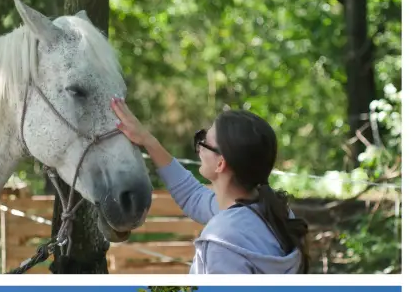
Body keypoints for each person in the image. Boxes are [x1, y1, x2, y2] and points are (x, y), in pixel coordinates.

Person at [111, 98, 309, 274]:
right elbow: (192, 196)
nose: (199, 147)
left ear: (221, 163)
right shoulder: (273, 212)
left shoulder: (222, 241)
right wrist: (148, 140)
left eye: (203, 141)